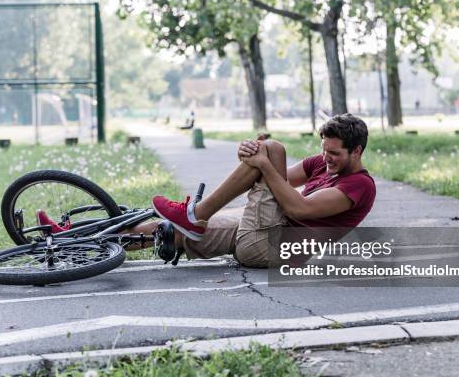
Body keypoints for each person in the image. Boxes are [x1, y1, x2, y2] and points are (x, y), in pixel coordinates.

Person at [38, 113, 376, 267]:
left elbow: (298, 209)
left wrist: (263, 164)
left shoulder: (359, 186)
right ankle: (69, 241)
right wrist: (251, 161)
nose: (326, 158)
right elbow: (271, 181)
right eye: (324, 149)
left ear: (357, 151)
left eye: (335, 153)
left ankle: (196, 214)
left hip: (272, 248)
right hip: (266, 227)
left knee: (272, 150)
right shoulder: (322, 162)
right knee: (174, 231)